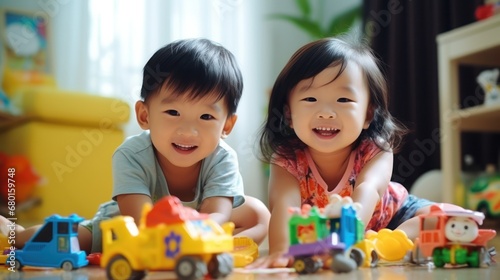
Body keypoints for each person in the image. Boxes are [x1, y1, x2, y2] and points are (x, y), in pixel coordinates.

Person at [0, 38, 270, 254]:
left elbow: (216, 214)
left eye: (206, 117)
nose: (188, 131)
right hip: (126, 229)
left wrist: (203, 235)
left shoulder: (223, 158)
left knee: (259, 213)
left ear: (227, 126)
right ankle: (12, 233)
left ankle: (233, 247)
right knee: (71, 239)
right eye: (173, 113)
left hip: (193, 231)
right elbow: (141, 220)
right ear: (144, 116)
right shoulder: (131, 154)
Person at [250, 36, 435, 268]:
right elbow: (284, 206)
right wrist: (280, 251)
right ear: (288, 114)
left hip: (393, 216)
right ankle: (381, 246)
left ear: (368, 115)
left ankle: (391, 238)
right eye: (310, 98)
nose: (326, 113)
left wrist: (347, 239)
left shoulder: (376, 149)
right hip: (324, 232)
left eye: (343, 99)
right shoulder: (287, 159)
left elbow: (369, 190)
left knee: (448, 221)